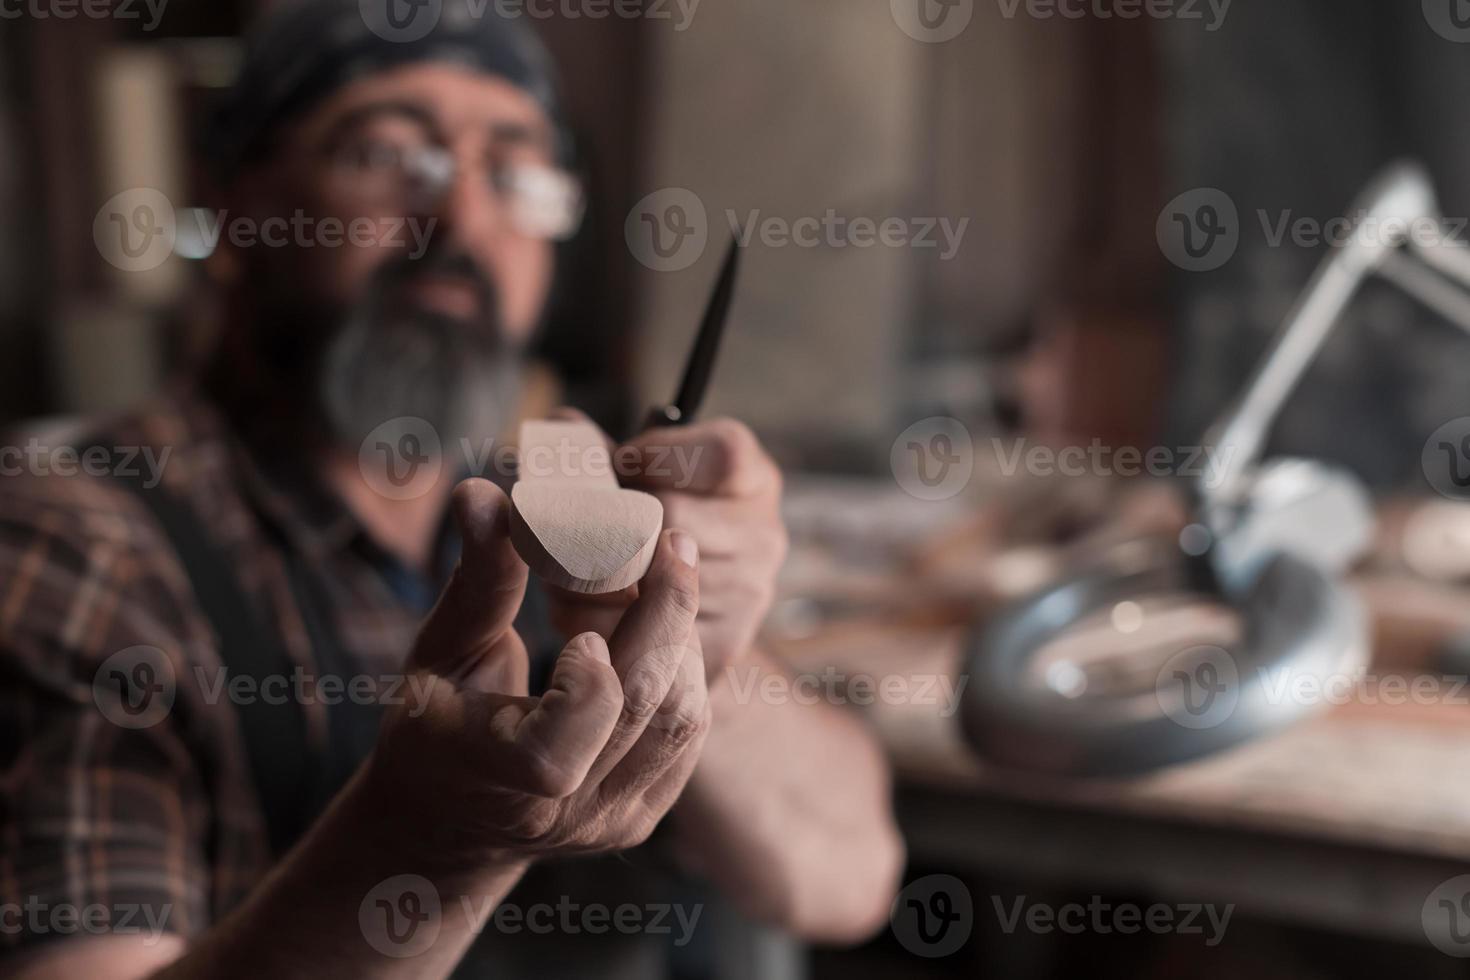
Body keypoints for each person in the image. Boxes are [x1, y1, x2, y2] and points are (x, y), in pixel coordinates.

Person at [0, 2, 903, 977]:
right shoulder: (78, 540)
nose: (465, 219)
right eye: (393, 155)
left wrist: (707, 650)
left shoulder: (553, 504)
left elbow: (851, 876)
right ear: (233, 207)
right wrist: (431, 848)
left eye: (515, 173)